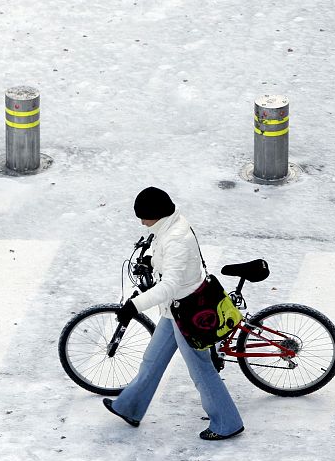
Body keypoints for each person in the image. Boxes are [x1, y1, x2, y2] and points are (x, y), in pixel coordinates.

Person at [102, 186, 245, 441]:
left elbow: (170, 286)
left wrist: (134, 306)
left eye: (144, 217)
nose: (142, 223)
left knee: (201, 370)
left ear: (156, 214)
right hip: (174, 310)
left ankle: (227, 423)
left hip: (187, 312)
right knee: (152, 360)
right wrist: (151, 262)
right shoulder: (168, 227)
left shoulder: (176, 237)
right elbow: (168, 263)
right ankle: (129, 407)